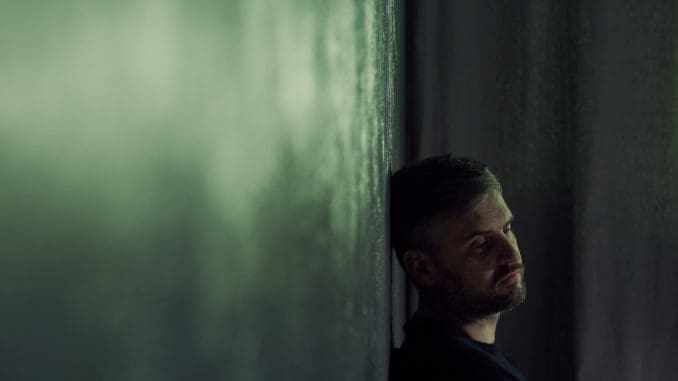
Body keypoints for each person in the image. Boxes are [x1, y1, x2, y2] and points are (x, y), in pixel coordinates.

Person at [389, 155, 528, 381]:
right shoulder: (467, 372)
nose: (511, 254)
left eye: (507, 229)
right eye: (481, 244)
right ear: (423, 268)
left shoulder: (439, 352)